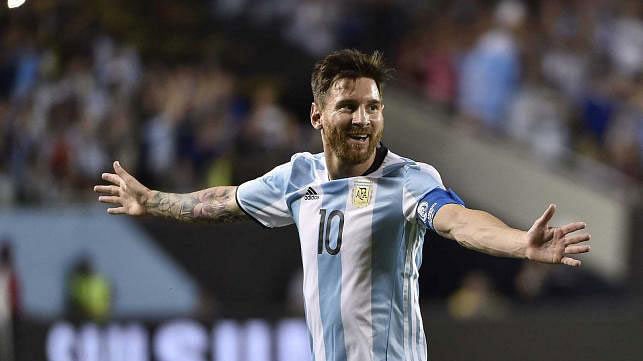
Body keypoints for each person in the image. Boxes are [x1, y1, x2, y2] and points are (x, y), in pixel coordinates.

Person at [94, 49, 592, 361]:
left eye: (373, 107)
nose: (363, 118)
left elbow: (458, 222)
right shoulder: (297, 177)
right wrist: (152, 201)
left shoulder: (409, 181)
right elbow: (223, 199)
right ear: (317, 115)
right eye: (348, 106)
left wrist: (519, 243)